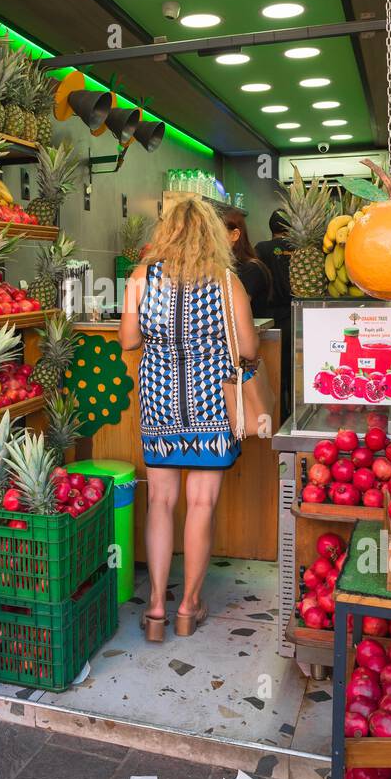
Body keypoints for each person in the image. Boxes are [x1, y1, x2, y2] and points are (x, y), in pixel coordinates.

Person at [119, 195, 258, 643]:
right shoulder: (225, 281)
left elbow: (127, 340)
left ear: (167, 233)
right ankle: (188, 606)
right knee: (201, 504)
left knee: (160, 501)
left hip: (159, 400)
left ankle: (156, 606)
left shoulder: (142, 277)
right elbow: (250, 350)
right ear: (212, 235)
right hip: (211, 402)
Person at [255, 209, 293, 418]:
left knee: (271, 370)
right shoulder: (299, 248)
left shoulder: (261, 248)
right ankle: (291, 414)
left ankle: (276, 414)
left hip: (267, 319)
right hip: (293, 315)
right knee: (291, 369)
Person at [222, 207, 272, 317]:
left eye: (216, 233)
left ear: (235, 235)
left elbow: (232, 312)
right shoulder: (222, 267)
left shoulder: (251, 269)